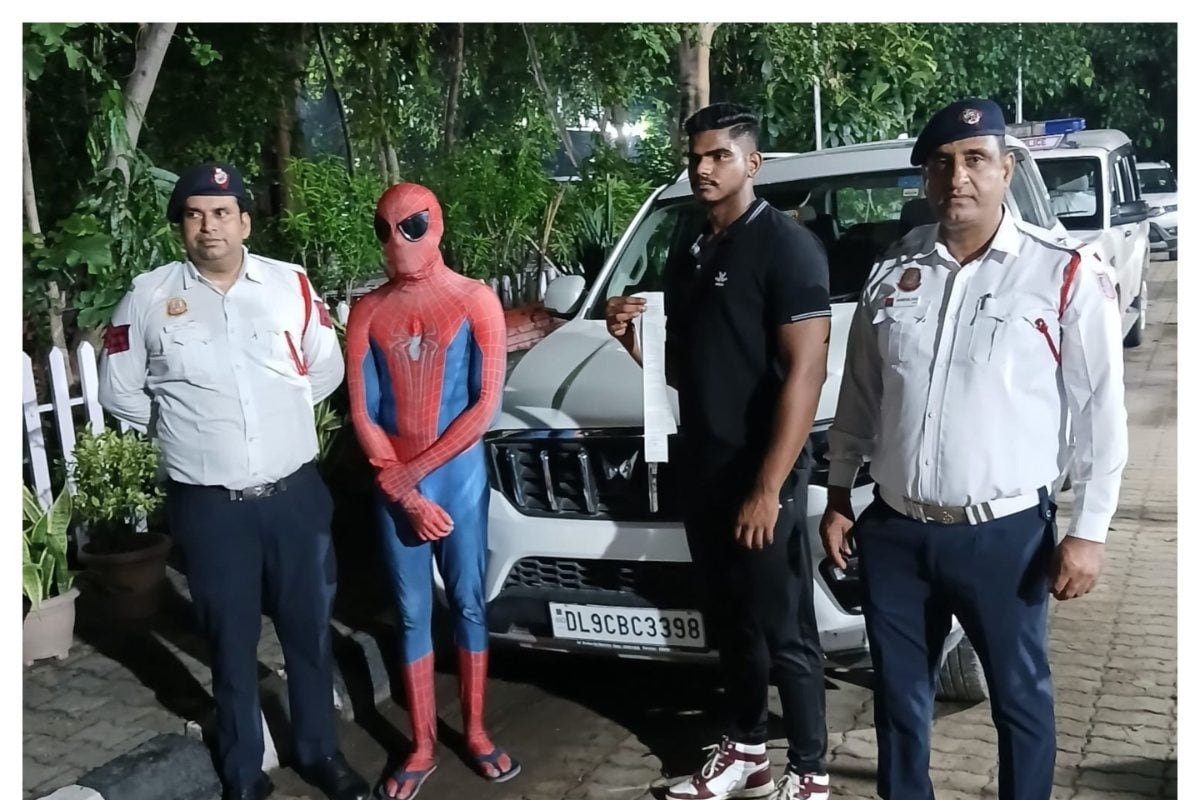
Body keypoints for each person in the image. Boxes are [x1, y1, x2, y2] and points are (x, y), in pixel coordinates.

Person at [819, 98, 1128, 800]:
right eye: (941, 165)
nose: (957, 177)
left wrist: (1090, 531)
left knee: (1020, 702)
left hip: (1005, 536)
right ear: (925, 179)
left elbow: (1100, 410)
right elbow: (861, 393)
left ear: (1007, 169)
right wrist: (838, 495)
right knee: (900, 705)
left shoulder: (1063, 272)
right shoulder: (895, 271)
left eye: (975, 160)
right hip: (895, 531)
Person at [98, 163, 370, 800]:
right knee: (229, 637)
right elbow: (121, 392)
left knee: (308, 629)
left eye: (221, 212)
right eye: (194, 214)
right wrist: (190, 432)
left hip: (294, 497)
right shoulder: (147, 298)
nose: (208, 225)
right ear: (180, 228)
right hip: (210, 507)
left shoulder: (290, 286)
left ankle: (317, 750)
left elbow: (323, 372)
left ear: (245, 221)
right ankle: (244, 769)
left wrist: (271, 422)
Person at [605, 103, 832, 800]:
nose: (702, 169)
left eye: (718, 157)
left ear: (751, 164)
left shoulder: (786, 248)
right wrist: (629, 342)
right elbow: (687, 369)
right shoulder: (695, 248)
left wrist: (769, 486)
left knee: (784, 627)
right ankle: (745, 752)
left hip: (760, 472)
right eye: (695, 156)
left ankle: (813, 771)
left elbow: (807, 371)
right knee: (730, 622)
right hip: (704, 468)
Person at [344, 183, 519, 800]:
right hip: (398, 483)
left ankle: (473, 729)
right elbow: (363, 410)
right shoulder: (367, 311)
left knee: (470, 602)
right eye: (385, 228)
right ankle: (421, 743)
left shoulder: (476, 300)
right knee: (413, 611)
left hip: (452, 479)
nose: (397, 242)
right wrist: (403, 488)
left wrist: (407, 479)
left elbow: (483, 407)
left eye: (411, 226)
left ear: (437, 226)